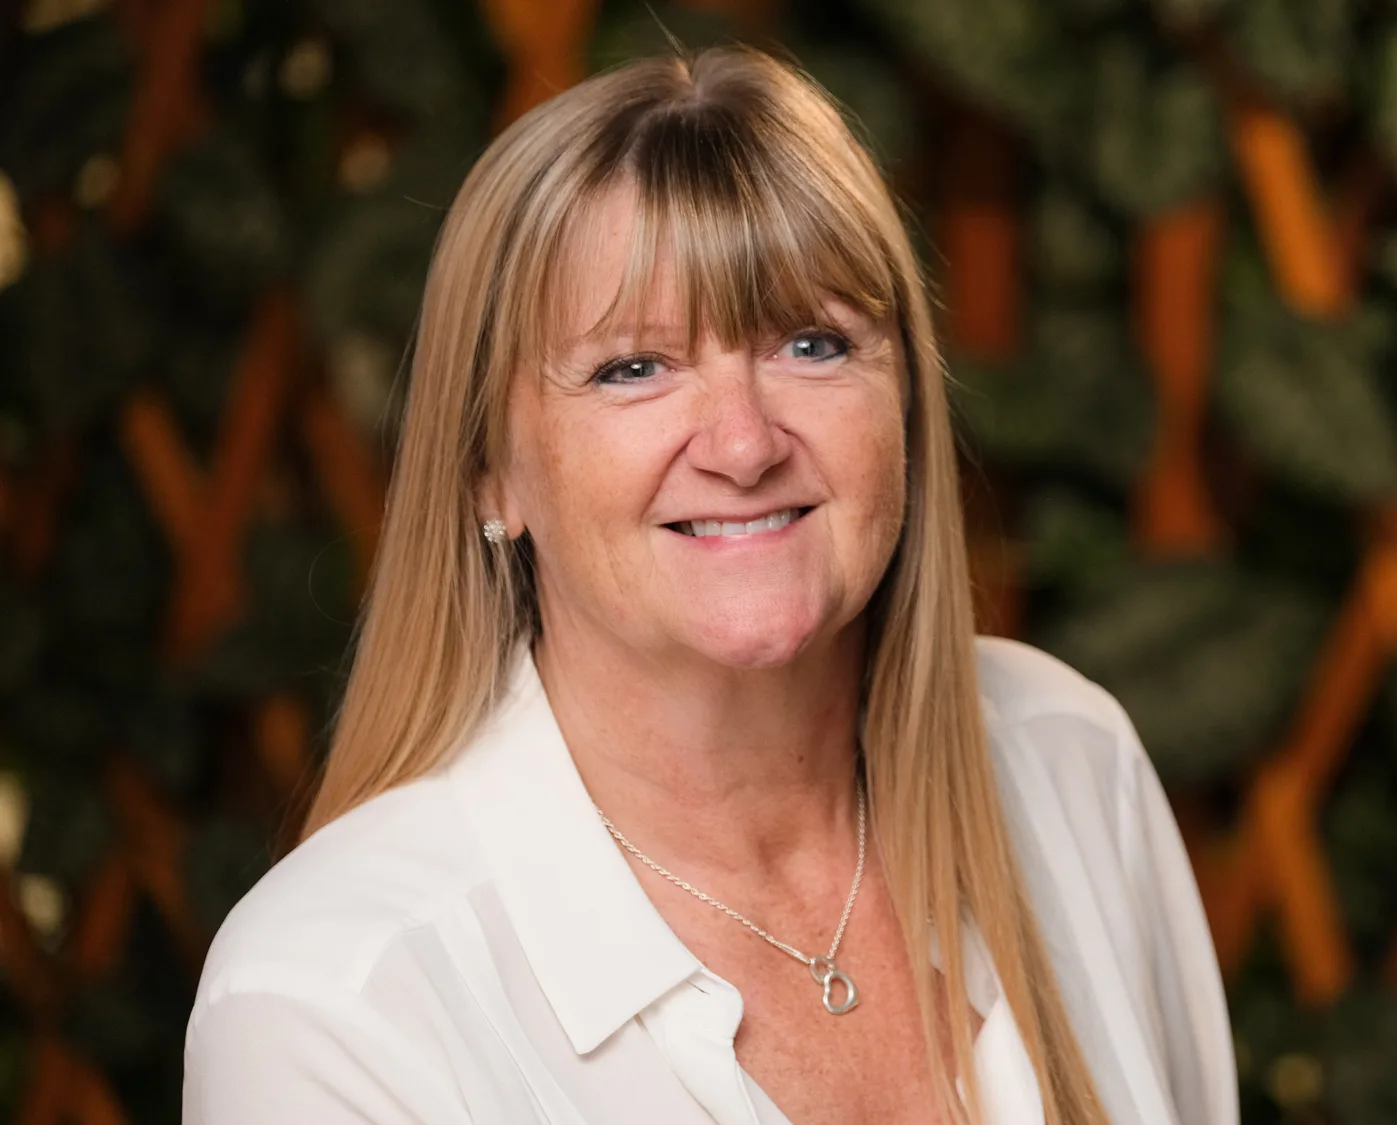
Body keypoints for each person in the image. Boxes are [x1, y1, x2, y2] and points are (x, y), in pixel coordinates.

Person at [182, 46, 1235, 1125]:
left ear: (905, 410)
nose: (741, 444)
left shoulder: (1069, 762)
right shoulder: (334, 1002)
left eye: (813, 344)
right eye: (632, 368)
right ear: (489, 473)